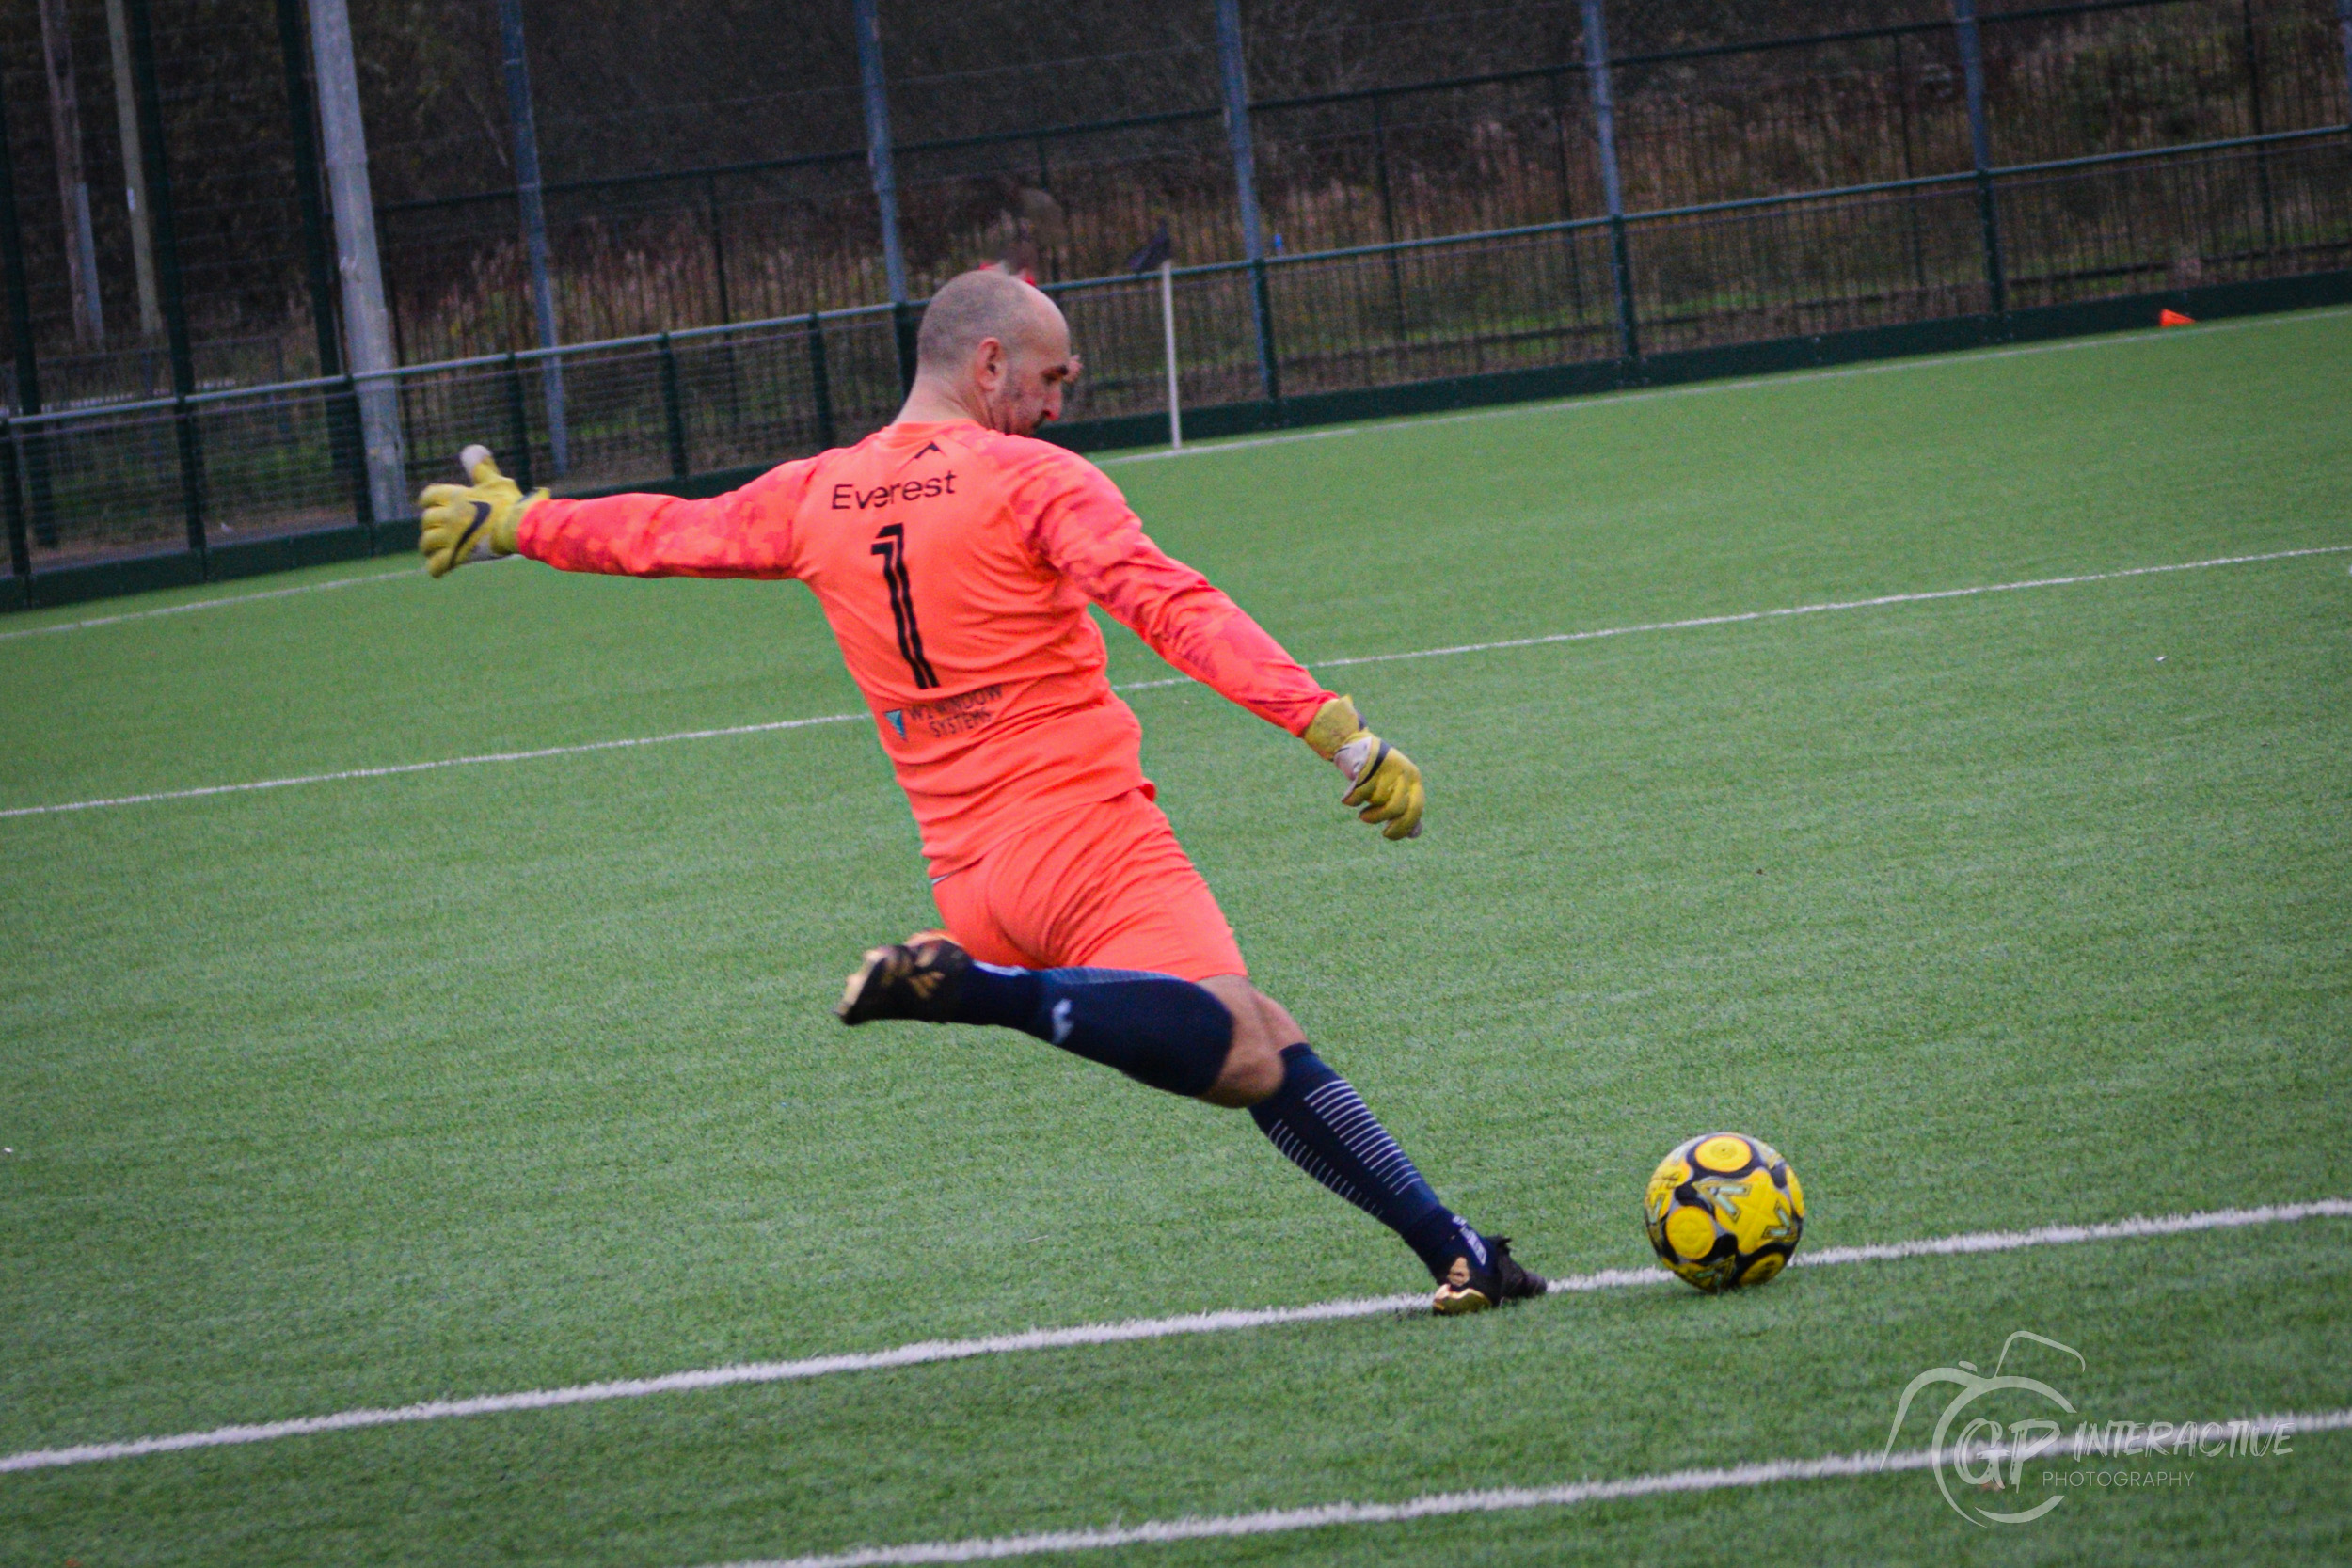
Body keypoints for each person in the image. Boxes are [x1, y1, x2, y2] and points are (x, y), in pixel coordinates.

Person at [414, 268, 1546, 1313]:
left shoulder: (821, 492)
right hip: (1086, 843)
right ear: (991, 363)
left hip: (967, 871)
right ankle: (982, 993)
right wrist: (1336, 732)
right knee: (1240, 1048)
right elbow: (1171, 604)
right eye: (1051, 378)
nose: (1059, 406)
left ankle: (1455, 1251)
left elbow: (668, 530)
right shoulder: (1027, 476)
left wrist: (522, 522)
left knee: (1262, 1038)